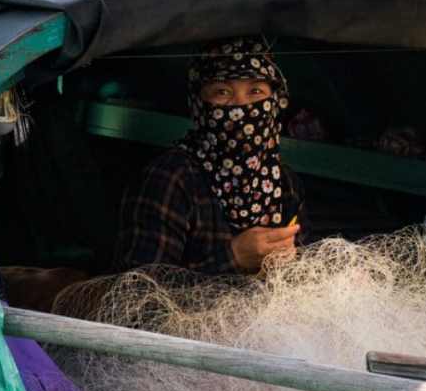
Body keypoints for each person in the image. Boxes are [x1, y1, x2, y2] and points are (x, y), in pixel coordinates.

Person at [115, 38, 308, 274]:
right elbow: (137, 293)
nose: (240, 107)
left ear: (276, 102)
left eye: (255, 91)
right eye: (222, 91)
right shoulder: (172, 177)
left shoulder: (285, 184)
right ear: (198, 105)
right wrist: (233, 258)